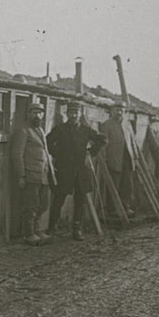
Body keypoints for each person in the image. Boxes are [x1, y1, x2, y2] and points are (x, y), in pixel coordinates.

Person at [46, 103, 106, 240]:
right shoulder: (60, 129)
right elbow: (47, 142)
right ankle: (52, 228)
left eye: (76, 113)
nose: (73, 115)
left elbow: (102, 139)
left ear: (80, 114)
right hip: (64, 169)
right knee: (59, 199)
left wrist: (91, 152)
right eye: (71, 113)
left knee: (80, 200)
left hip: (80, 170)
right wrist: (58, 154)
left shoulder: (85, 130)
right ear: (67, 114)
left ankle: (77, 229)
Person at [10, 102, 56, 244]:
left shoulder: (41, 130)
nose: (37, 115)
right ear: (28, 114)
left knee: (43, 204)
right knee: (30, 205)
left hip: (43, 174)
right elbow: (17, 154)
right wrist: (21, 175)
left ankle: (37, 230)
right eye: (34, 113)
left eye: (40, 113)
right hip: (30, 174)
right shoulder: (23, 131)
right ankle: (29, 234)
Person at [99, 106, 136, 218]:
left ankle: (125, 207)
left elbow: (132, 142)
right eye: (116, 110)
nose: (119, 112)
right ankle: (113, 209)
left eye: (121, 110)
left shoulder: (127, 125)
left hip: (127, 158)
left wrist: (135, 157)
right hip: (114, 159)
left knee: (127, 184)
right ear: (111, 111)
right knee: (114, 184)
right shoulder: (106, 125)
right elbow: (103, 144)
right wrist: (105, 158)